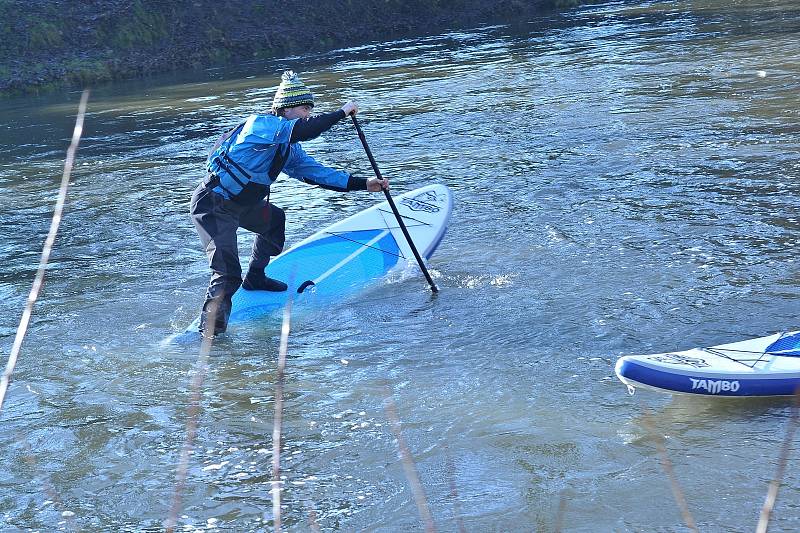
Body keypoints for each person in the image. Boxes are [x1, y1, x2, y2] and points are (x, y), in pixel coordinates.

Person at [190, 70, 388, 337]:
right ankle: (209, 335)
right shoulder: (258, 125)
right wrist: (341, 113)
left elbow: (316, 173)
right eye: (305, 109)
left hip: (243, 206)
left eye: (309, 111)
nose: (307, 115)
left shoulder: (288, 148)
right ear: (287, 108)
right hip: (213, 204)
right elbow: (307, 130)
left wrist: (363, 183)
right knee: (227, 273)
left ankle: (256, 278)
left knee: (274, 221)